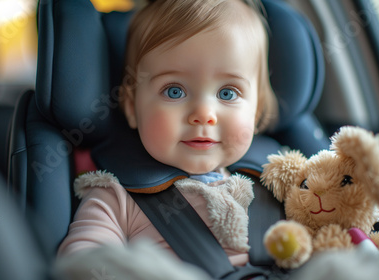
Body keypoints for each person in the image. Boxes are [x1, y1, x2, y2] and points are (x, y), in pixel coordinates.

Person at [56, 0, 278, 272]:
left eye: (227, 93)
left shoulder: (275, 183)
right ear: (131, 107)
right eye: (174, 91)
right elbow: (84, 265)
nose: (204, 114)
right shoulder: (117, 196)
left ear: (257, 111)